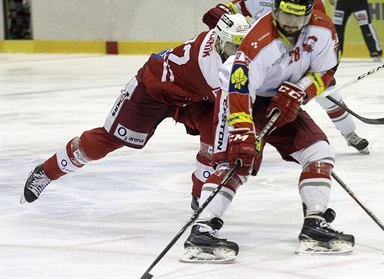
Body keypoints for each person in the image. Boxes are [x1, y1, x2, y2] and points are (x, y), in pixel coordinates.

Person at [181, 0, 354, 263]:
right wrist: (241, 130)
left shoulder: (322, 31)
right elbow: (239, 86)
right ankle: (202, 229)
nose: (290, 22)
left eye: (297, 16)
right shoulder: (259, 41)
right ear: (274, 9)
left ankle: (314, 224)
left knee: (319, 152)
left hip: (282, 96)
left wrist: (300, 91)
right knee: (238, 162)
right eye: (285, 14)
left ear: (309, 13)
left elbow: (326, 72)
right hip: (241, 97)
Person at [20, 13, 252, 206]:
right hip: (152, 89)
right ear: (220, 42)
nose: (238, 52)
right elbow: (235, 107)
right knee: (107, 141)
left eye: (241, 46)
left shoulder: (225, 47)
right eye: (233, 47)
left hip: (193, 95)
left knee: (213, 139)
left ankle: (200, 198)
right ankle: (47, 171)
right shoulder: (212, 69)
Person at [203, 0, 370, 153]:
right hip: (263, 57)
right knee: (240, 94)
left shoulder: (312, 1)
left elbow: (319, 38)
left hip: (296, 59)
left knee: (328, 93)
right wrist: (223, 13)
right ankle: (235, 141)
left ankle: (350, 133)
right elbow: (237, 7)